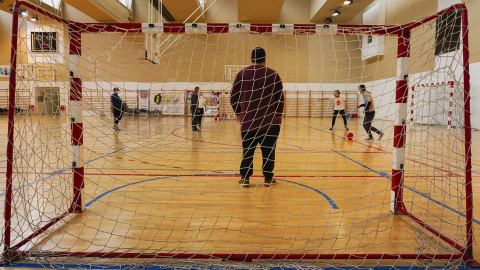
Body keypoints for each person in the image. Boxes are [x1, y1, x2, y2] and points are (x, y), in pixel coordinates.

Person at [230, 47, 285, 188]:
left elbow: (233, 96)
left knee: (247, 150)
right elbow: (280, 97)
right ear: (265, 58)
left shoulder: (242, 73)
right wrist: (278, 114)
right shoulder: (273, 74)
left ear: (251, 59)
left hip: (248, 122)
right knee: (268, 151)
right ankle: (267, 178)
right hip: (268, 122)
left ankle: (246, 179)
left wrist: (238, 112)